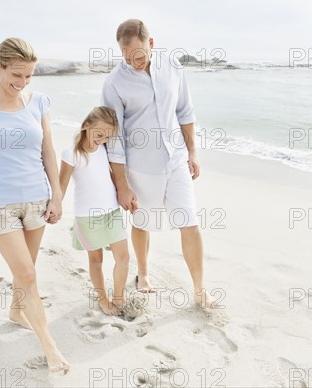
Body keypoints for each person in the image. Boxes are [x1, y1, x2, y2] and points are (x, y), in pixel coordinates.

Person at [0, 37, 69, 373]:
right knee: (26, 272)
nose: (22, 83)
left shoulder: (39, 102)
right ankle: (50, 346)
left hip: (37, 198)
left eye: (29, 76)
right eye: (16, 75)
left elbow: (48, 150)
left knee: (27, 271)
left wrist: (57, 194)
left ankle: (16, 311)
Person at [101, 19, 218, 308]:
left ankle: (200, 290)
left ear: (150, 44)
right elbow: (113, 138)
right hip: (141, 167)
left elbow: (185, 111)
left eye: (139, 55)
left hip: (176, 159)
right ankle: (142, 274)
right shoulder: (114, 82)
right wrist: (122, 185)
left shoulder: (173, 67)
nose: (134, 63)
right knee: (143, 223)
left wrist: (192, 153)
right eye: (127, 58)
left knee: (189, 222)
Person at [58, 107, 130, 316]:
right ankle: (103, 299)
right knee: (96, 260)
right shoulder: (70, 153)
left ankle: (118, 297)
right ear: (86, 125)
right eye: (99, 134)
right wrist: (56, 207)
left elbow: (112, 176)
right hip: (87, 216)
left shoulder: (105, 150)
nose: (102, 140)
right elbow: (61, 186)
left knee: (123, 257)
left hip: (111, 212)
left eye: (107, 136)